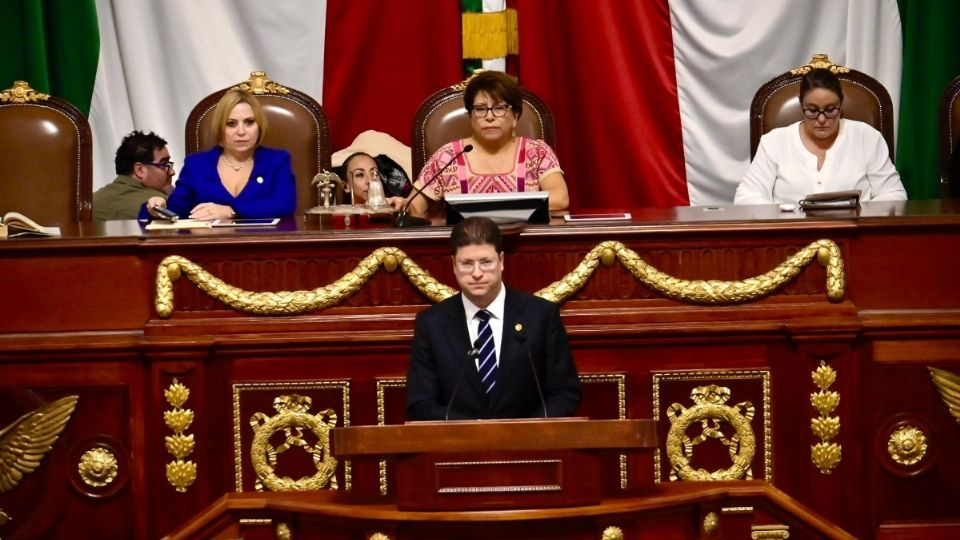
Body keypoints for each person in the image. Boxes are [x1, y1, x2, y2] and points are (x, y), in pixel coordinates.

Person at [406, 216, 580, 420]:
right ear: (454, 265)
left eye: (486, 262)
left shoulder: (540, 315)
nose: (477, 273)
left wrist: (522, 431)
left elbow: (565, 394)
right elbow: (420, 404)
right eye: (467, 264)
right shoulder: (432, 324)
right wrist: (474, 431)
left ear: (501, 261)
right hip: (458, 447)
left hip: (528, 446)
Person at [405, 71, 570, 218]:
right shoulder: (448, 156)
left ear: (515, 117)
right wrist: (402, 206)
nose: (489, 117)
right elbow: (415, 207)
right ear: (471, 116)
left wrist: (484, 209)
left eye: (499, 108)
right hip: (463, 247)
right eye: (480, 109)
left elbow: (560, 199)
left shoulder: (537, 152)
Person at [735, 68, 907, 205]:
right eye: (812, 110)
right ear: (801, 106)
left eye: (831, 110)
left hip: (854, 237)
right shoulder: (774, 142)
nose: (822, 119)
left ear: (841, 104)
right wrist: (785, 214)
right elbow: (746, 198)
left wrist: (858, 213)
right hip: (792, 236)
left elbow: (895, 195)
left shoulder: (867, 137)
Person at [145, 90, 295, 220]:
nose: (241, 132)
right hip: (209, 249)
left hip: (264, 246)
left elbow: (285, 204)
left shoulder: (277, 160)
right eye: (231, 124)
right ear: (220, 127)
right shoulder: (196, 165)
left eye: (249, 122)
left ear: (259, 126)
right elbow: (176, 211)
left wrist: (231, 210)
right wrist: (157, 207)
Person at [93, 131, 174, 220]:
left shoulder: (88, 203)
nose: (172, 172)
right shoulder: (162, 207)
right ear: (140, 170)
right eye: (164, 164)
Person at [340, 151, 404, 209]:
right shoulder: (340, 217)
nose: (370, 181)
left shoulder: (395, 207)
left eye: (375, 173)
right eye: (360, 175)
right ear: (345, 187)